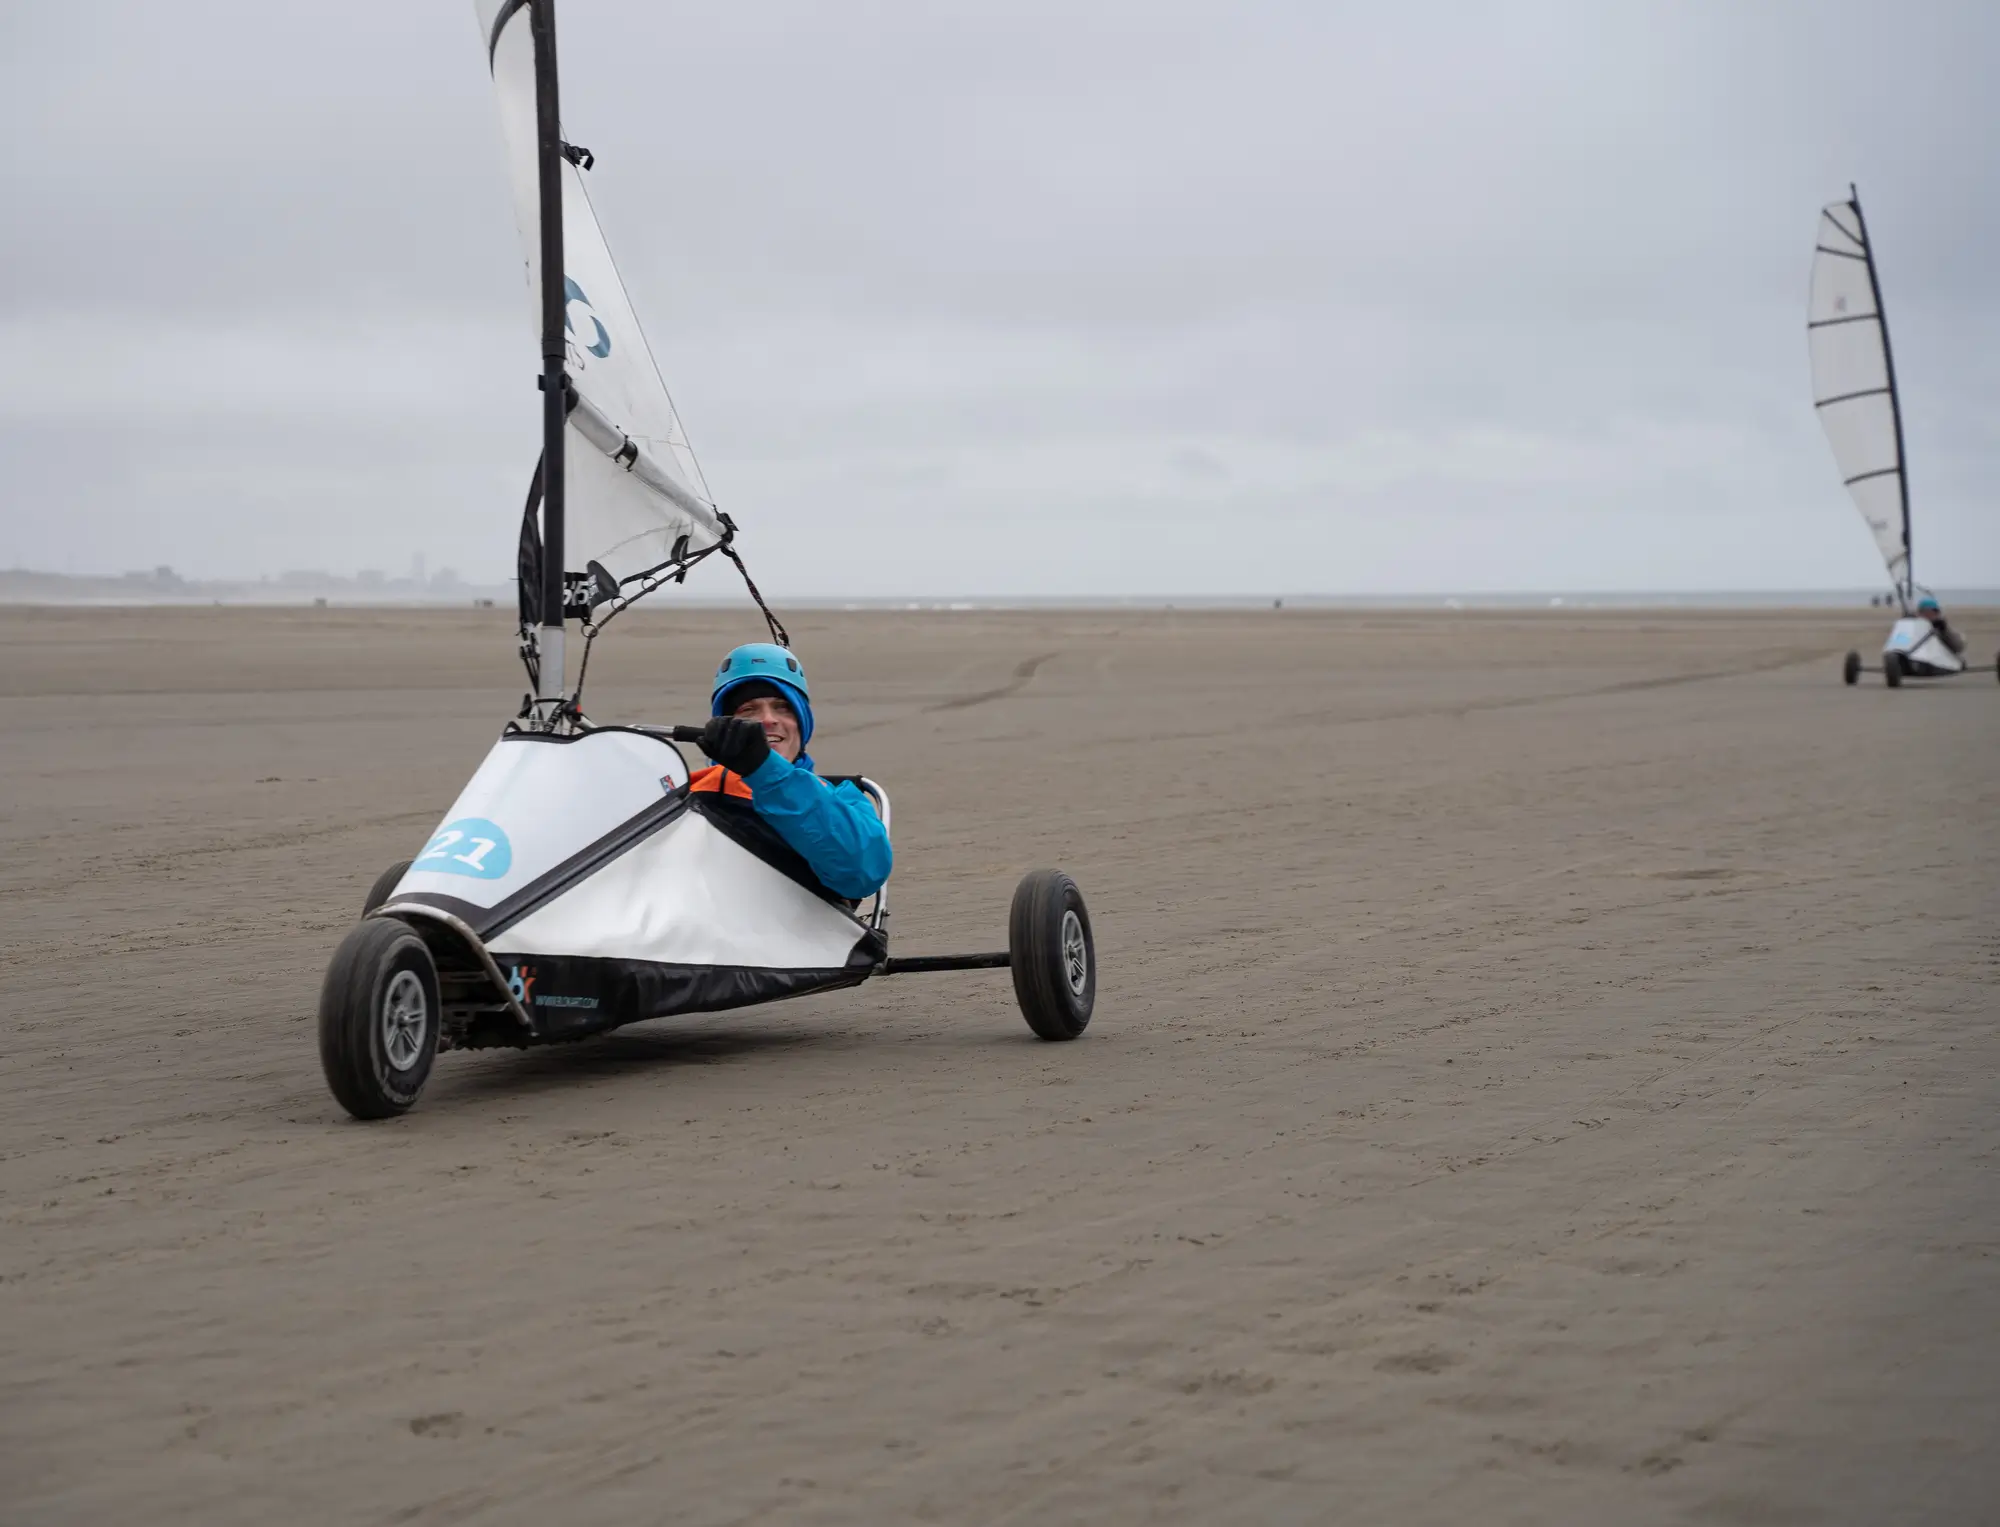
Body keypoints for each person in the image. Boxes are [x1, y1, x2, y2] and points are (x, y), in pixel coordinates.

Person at [691, 643, 892, 901]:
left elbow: (861, 875)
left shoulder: (845, 799)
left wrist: (764, 771)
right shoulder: (691, 790)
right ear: (725, 724)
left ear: (802, 721)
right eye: (748, 710)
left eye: (782, 707)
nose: (768, 720)